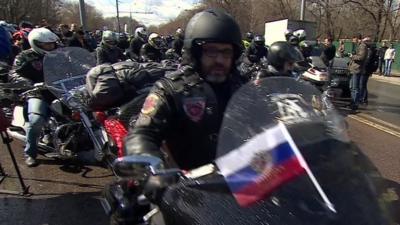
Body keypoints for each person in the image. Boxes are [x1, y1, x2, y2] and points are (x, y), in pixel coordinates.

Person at [124, 8, 247, 170]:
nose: (220, 59)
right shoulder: (171, 89)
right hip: (185, 187)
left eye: (226, 52)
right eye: (211, 51)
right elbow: (142, 134)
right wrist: (151, 166)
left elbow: (263, 124)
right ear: (195, 52)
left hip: (240, 181)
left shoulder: (241, 88)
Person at [8, 27, 59, 166]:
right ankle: (30, 153)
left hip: (59, 90)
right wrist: (28, 82)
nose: (51, 46)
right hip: (37, 92)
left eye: (52, 44)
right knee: (36, 121)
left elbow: (74, 65)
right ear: (36, 43)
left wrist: (89, 69)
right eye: (47, 44)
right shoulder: (24, 56)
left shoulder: (59, 54)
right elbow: (13, 74)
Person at [348, 34, 368, 110]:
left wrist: (352, 56)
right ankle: (352, 102)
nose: (353, 41)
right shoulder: (359, 46)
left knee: (355, 88)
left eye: (353, 39)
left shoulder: (362, 46)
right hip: (354, 69)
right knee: (352, 87)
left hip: (357, 69)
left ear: (357, 38)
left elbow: (361, 57)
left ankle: (355, 104)